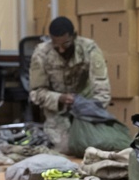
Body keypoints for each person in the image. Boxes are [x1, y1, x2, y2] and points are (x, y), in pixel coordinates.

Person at [28, 16, 110, 155]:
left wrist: (90, 109)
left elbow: (102, 89)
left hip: (87, 107)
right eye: (56, 45)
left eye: (65, 44)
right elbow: (36, 93)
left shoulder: (89, 49)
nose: (60, 50)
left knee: (100, 145)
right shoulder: (41, 54)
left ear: (74, 37)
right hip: (58, 110)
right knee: (66, 148)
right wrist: (59, 98)